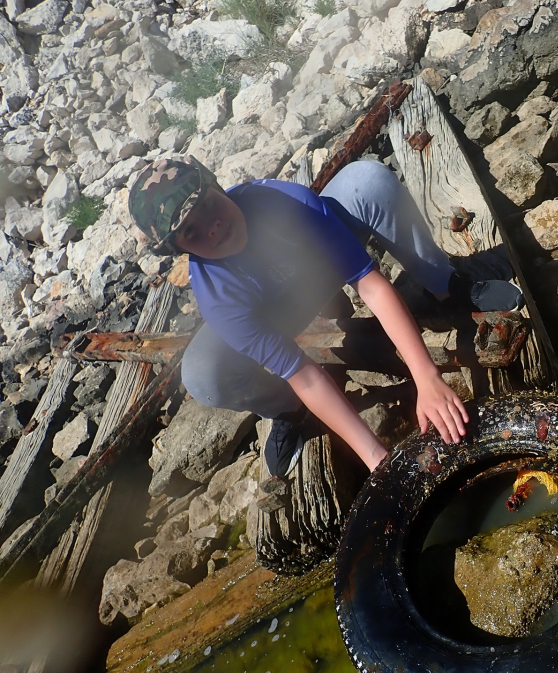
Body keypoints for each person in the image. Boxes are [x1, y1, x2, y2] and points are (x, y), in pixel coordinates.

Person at [128, 155, 522, 477]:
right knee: (202, 376)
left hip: (320, 266)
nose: (212, 228)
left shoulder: (283, 204)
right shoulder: (217, 296)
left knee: (368, 180)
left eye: (209, 205)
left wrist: (427, 378)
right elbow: (306, 373)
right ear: (178, 249)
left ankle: (444, 286)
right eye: (192, 232)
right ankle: (287, 410)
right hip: (276, 314)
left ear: (215, 183)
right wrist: (378, 461)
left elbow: (370, 284)